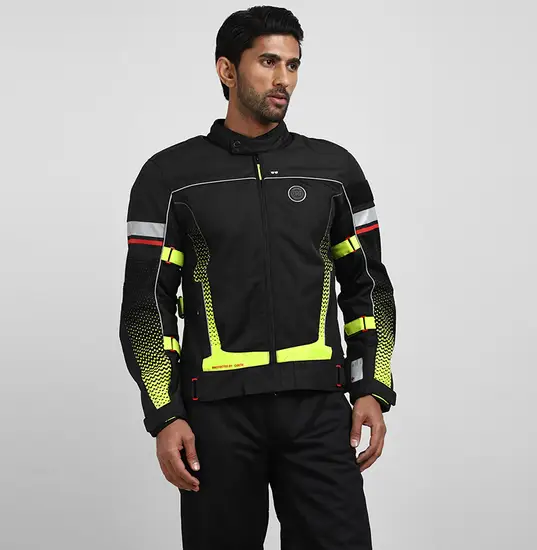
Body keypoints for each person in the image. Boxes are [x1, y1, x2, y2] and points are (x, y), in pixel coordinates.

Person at [119, 5, 397, 549]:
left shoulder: (334, 171)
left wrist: (371, 386)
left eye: (293, 65)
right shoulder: (168, 178)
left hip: (318, 410)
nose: (283, 79)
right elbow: (147, 306)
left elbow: (369, 287)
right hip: (216, 418)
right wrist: (165, 414)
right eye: (268, 62)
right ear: (227, 69)